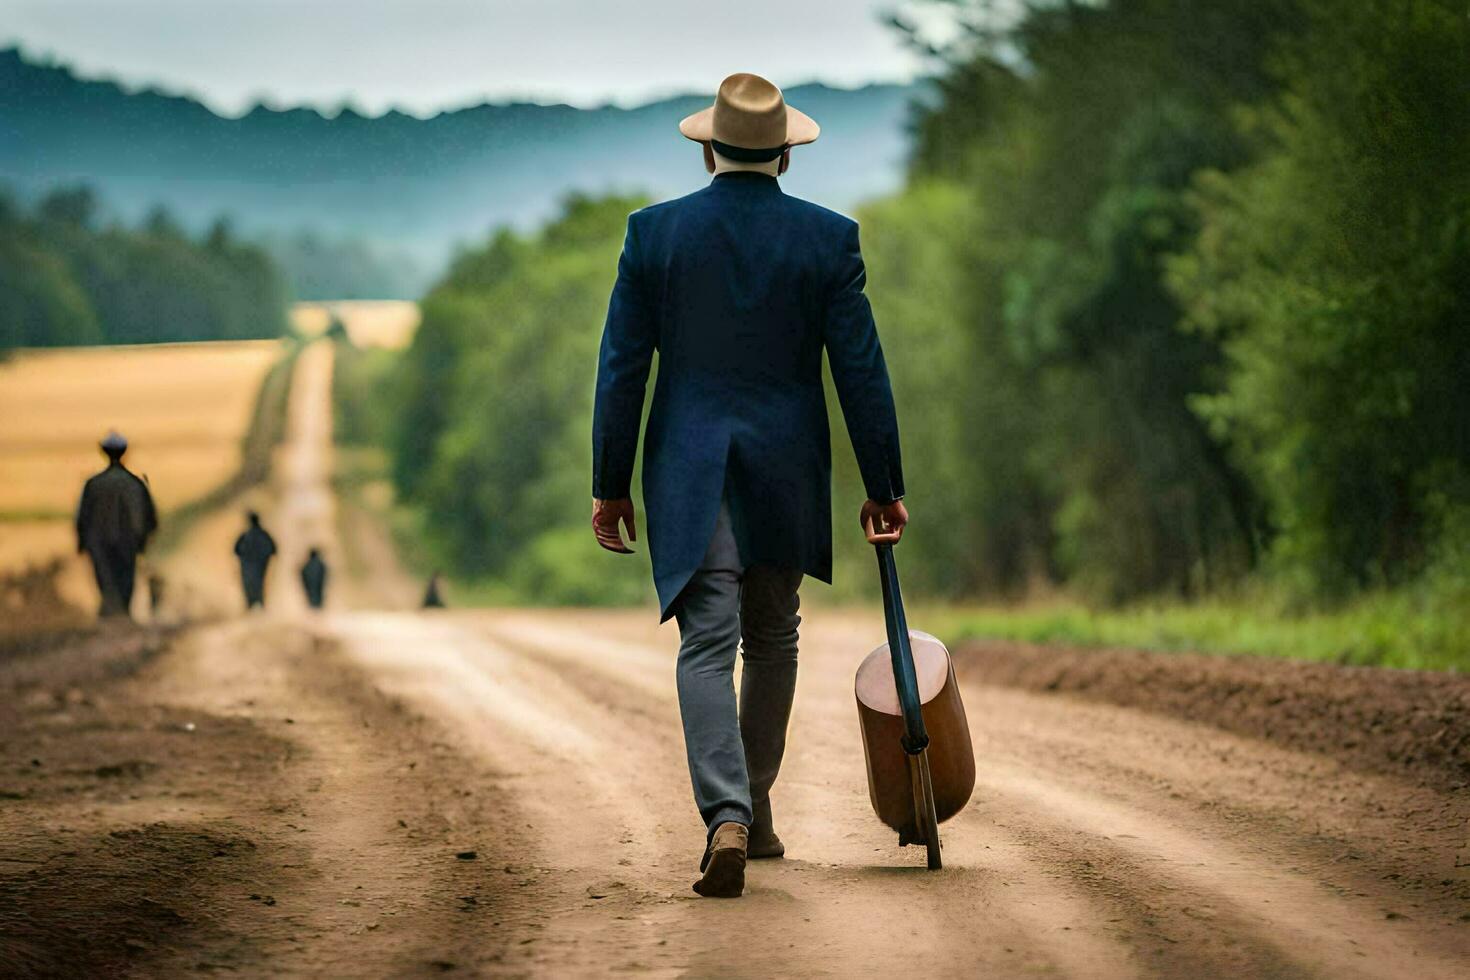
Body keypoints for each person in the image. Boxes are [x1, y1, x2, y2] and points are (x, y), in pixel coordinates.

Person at [591, 73, 908, 898]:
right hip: (787, 470)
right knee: (772, 639)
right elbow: (862, 373)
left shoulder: (652, 237)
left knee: (705, 644)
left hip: (689, 469)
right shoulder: (828, 240)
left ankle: (727, 816)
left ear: (706, 149)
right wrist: (884, 483)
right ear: (785, 158)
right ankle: (753, 807)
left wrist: (610, 483)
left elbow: (622, 367)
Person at [75, 430, 158, 618]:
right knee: (126, 578)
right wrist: (144, 539)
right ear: (124, 451)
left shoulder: (93, 484)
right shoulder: (135, 483)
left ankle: (112, 615)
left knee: (106, 579)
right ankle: (123, 616)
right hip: (128, 540)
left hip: (100, 541)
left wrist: (81, 541)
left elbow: (83, 517)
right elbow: (150, 517)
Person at [232, 511, 276, 609]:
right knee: (259, 582)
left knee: (249, 583)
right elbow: (273, 549)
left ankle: (252, 603)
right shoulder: (263, 534)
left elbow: (236, 550)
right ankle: (259, 602)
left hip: (249, 565)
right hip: (260, 565)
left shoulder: (245, 536)